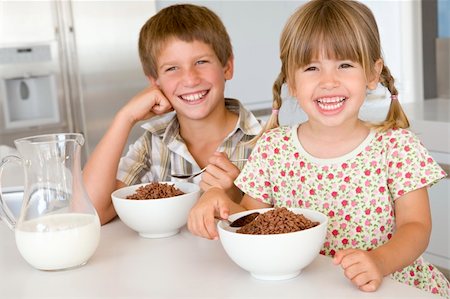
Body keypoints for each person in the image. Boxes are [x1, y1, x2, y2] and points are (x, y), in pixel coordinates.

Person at [187, 0, 450, 297]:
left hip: (392, 286)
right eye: (312, 67)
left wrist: (379, 260)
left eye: (345, 65)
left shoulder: (397, 147)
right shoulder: (273, 149)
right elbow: (252, 222)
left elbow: (416, 227)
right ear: (292, 81)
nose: (328, 81)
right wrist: (217, 202)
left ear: (373, 74)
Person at [82, 4, 262, 225]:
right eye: (172, 68)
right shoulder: (152, 145)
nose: (190, 79)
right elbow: (90, 213)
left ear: (227, 67)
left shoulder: (266, 141)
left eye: (201, 62)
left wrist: (237, 199)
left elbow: (281, 229)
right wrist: (125, 118)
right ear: (154, 81)